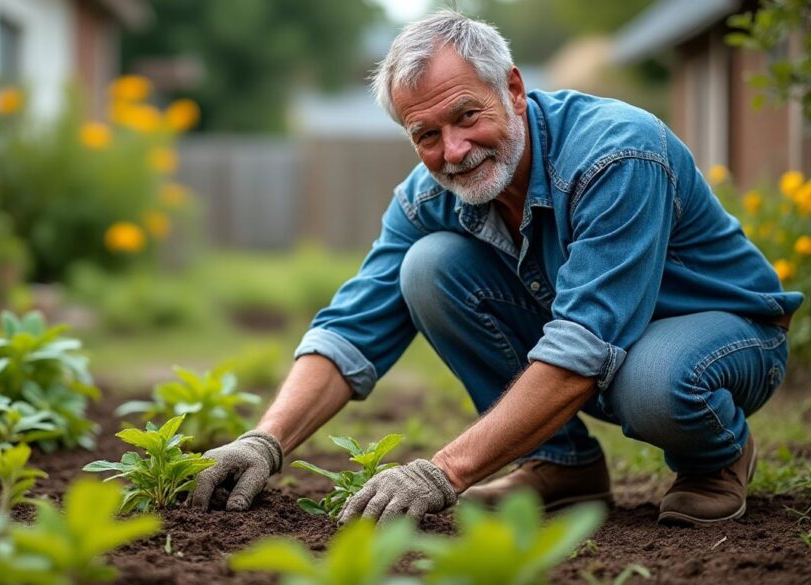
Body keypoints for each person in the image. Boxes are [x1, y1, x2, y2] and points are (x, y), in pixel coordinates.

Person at [190, 10, 803, 527]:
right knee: (426, 266)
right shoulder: (429, 197)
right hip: (609, 341)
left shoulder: (616, 154)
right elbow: (352, 325)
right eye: (425, 134)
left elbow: (584, 346)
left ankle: (716, 456)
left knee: (655, 384)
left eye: (466, 116)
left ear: (512, 89)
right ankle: (561, 466)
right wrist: (264, 441)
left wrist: (444, 471)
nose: (452, 151)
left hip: (720, 333)